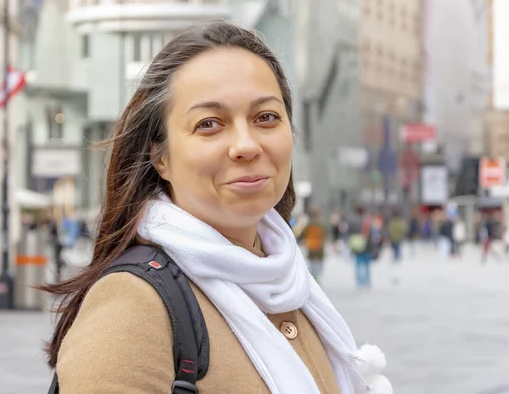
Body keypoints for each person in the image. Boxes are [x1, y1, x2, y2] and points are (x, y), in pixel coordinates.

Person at [40, 22, 390, 393]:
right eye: (209, 124)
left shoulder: (290, 285)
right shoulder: (133, 307)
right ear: (160, 156)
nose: (246, 145)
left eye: (266, 118)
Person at [348, 206, 373, 288]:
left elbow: (349, 232)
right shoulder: (367, 220)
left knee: (358, 264)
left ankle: (359, 281)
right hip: (367, 244)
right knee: (367, 264)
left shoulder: (353, 221)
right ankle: (367, 280)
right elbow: (371, 234)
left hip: (357, 244)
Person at [301, 207, 327, 285]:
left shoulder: (309, 224)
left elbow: (303, 234)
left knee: (312, 262)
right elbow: (324, 235)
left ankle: (313, 277)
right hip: (319, 246)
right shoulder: (322, 224)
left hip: (311, 245)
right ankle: (318, 276)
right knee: (319, 262)